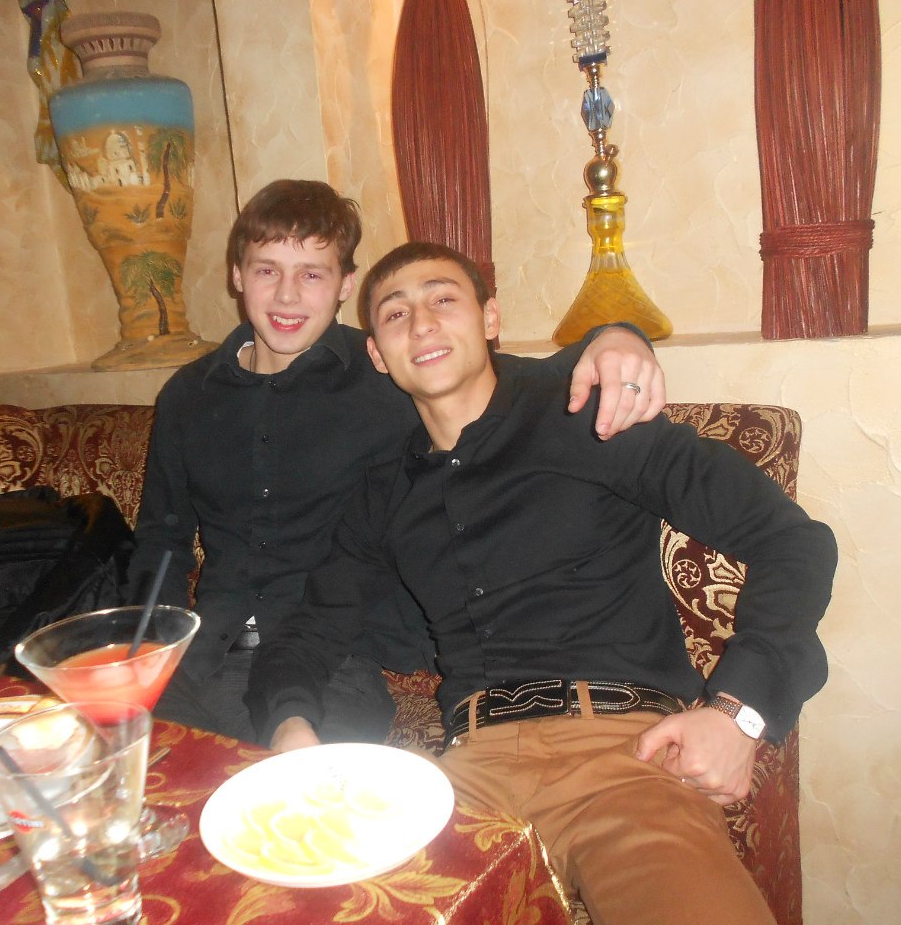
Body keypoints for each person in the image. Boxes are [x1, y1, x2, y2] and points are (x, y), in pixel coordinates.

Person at [245, 241, 837, 925]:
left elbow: (792, 542)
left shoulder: (591, 420)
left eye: (444, 300)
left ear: (490, 319)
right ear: (378, 353)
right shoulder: (385, 490)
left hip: (624, 756)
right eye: (396, 313)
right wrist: (290, 726)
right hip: (470, 775)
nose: (423, 323)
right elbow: (311, 628)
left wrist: (741, 713)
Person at [130, 180, 667, 745]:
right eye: (267, 271)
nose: (287, 296)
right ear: (237, 275)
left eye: (312, 274)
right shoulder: (188, 395)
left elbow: (504, 381)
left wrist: (618, 336)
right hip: (198, 657)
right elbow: (161, 540)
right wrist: (146, 648)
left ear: (345, 285)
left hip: (338, 660)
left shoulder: (387, 371)